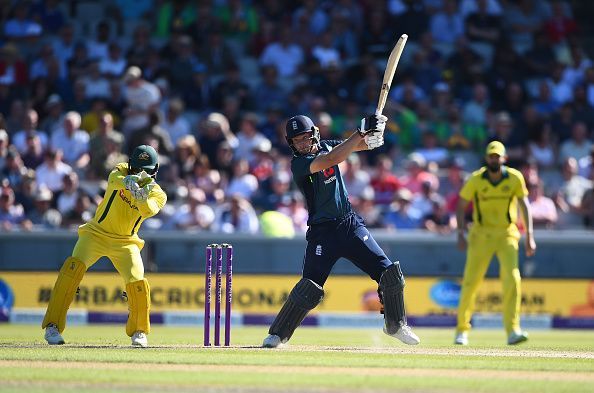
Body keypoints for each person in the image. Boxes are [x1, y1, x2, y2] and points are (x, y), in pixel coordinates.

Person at [262, 114, 420, 348]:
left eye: (306, 137)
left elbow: (367, 144)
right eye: (297, 140)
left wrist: (376, 131)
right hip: (322, 233)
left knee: (389, 274)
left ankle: (395, 324)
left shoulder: (327, 145)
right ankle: (279, 334)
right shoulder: (299, 164)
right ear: (291, 143)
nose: (303, 143)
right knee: (310, 287)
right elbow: (332, 159)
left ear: (314, 133)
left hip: (349, 225)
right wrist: (359, 132)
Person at [42, 145, 167, 347]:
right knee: (70, 271)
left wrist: (141, 197)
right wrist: (129, 182)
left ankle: (139, 331)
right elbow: (114, 180)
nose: (141, 173)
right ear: (131, 166)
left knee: (138, 283)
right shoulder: (121, 170)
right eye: (137, 169)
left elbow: (150, 209)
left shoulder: (158, 193)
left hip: (126, 243)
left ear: (155, 170)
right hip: (96, 234)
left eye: (146, 170)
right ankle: (52, 326)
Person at [455, 141, 536, 346]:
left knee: (512, 279)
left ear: (504, 159)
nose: (494, 159)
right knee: (470, 282)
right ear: (486, 158)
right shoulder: (476, 179)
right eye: (491, 156)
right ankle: (462, 330)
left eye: (497, 156)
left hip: (507, 234)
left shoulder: (515, 178)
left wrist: (530, 236)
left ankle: (513, 330)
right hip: (481, 235)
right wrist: (460, 233)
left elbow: (525, 205)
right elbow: (461, 204)